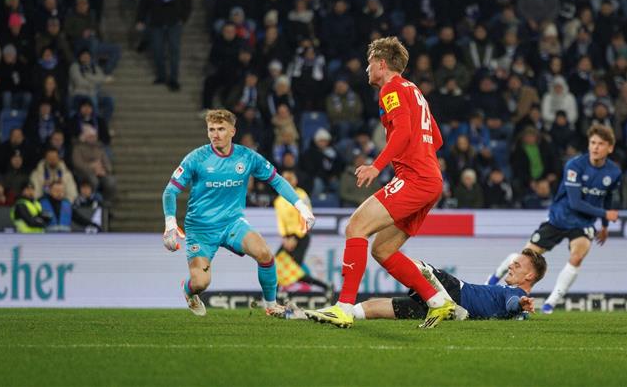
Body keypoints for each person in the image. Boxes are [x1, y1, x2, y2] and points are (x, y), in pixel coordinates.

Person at [306, 36, 452, 329]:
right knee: (382, 250)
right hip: (430, 179)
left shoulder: (391, 88)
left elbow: (403, 133)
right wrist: (419, 158)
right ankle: (437, 301)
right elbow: (436, 138)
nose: (367, 69)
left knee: (355, 227)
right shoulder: (414, 90)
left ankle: (343, 308)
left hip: (415, 178)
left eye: (370, 62)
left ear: (382, 64)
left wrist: (377, 166)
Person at [162, 109, 315, 317]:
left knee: (265, 254)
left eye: (221, 129)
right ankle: (188, 290)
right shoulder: (196, 158)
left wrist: (302, 207)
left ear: (232, 131)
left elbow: (277, 180)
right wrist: (170, 224)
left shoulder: (246, 157)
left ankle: (271, 305)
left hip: (232, 224)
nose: (215, 134)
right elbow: (170, 191)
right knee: (201, 283)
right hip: (201, 229)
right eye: (211, 130)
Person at [487, 125, 621, 313]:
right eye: (592, 143)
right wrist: (605, 215)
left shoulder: (613, 172)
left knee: (577, 256)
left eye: (600, 144)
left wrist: (605, 226)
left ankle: (549, 304)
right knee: (524, 258)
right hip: (559, 218)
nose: (595, 147)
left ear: (610, 147)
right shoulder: (574, 166)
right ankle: (491, 281)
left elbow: (607, 198)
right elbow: (575, 202)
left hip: (583, 224)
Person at [355, 250, 547, 321]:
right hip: (448, 309)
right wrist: (521, 309)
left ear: (529, 275)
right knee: (383, 308)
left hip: (453, 291)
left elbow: (512, 303)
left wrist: (520, 304)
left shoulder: (516, 292)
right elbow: (514, 310)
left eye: (517, 265)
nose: (511, 266)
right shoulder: (517, 303)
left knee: (411, 264)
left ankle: (382, 252)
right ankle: (348, 312)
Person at [273, 170, 331, 295]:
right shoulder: (278, 200)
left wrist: (296, 236)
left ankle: (273, 298)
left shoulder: (301, 195)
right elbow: (280, 222)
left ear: (295, 180)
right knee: (275, 267)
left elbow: (306, 215)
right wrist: (285, 238)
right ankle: (273, 298)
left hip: (301, 237)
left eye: (291, 178)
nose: (288, 181)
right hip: (287, 239)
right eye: (285, 179)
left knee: (292, 269)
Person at [136, 0, 192, 91]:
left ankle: (173, 79)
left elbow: (187, 3)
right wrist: (140, 20)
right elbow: (143, 4)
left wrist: (183, 18)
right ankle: (161, 76)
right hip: (157, 24)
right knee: (157, 50)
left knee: (174, 51)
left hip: (174, 24)